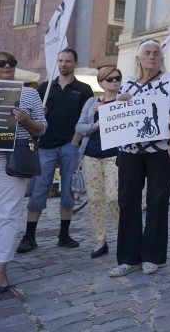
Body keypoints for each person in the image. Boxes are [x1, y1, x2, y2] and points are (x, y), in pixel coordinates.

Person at [109, 39, 170, 277]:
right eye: (147, 53)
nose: (152, 57)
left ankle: (153, 256)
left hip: (160, 150)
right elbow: (120, 115)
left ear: (161, 57)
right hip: (130, 151)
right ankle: (128, 258)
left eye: (156, 53)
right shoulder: (129, 84)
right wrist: (119, 102)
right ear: (138, 59)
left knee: (157, 202)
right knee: (127, 201)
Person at [0, 50, 47, 294]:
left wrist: (27, 121)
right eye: (1, 62)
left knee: (8, 215)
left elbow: (41, 129)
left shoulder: (28, 92)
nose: (7, 66)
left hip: (15, 159)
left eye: (12, 63)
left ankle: (0, 271)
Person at [17, 48, 93, 253]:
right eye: (60, 60)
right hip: (45, 147)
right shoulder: (44, 88)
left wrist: (75, 142)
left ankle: (64, 235)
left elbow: (85, 119)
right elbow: (33, 118)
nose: (63, 64)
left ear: (75, 63)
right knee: (38, 191)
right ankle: (29, 236)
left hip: (70, 145)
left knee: (68, 191)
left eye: (68, 61)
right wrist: (39, 113)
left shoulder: (84, 89)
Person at [74, 66, 122, 258]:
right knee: (94, 200)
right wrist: (95, 124)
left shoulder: (125, 100)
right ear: (101, 82)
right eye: (109, 79)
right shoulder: (92, 102)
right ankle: (100, 239)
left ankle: (124, 236)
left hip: (115, 155)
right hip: (91, 154)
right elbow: (79, 126)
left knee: (114, 197)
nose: (114, 81)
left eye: (117, 78)